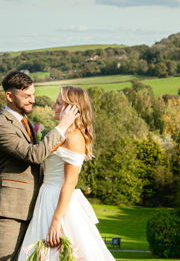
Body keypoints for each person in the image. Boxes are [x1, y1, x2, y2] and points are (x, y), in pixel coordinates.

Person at [0, 71, 79, 261]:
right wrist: (62, 126)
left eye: (33, 94)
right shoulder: (0, 126)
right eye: (27, 96)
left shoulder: (26, 122)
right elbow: (34, 155)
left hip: (37, 207)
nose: (33, 100)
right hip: (11, 210)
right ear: (9, 96)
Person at [18, 86, 116, 261]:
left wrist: (56, 221)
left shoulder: (73, 137)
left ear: (71, 108)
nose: (54, 106)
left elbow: (70, 182)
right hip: (46, 197)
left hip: (57, 201)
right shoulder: (62, 134)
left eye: (58, 103)